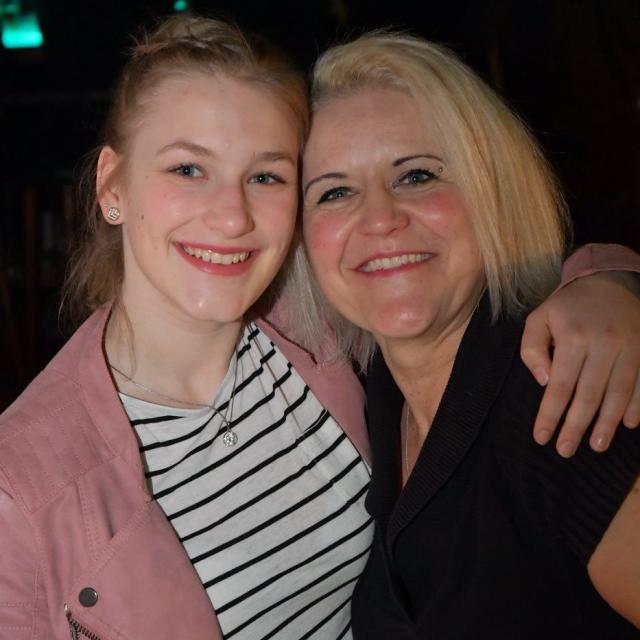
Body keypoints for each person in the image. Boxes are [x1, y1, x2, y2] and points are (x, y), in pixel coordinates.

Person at [0, 15, 638, 640]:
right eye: (188, 169)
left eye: (266, 176)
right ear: (111, 184)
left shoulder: (328, 333)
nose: (231, 216)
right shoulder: (21, 488)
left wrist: (605, 279)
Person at [301, 32, 640, 638]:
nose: (379, 219)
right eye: (336, 192)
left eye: (416, 176)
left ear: (492, 189)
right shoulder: (368, 401)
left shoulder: (565, 399)